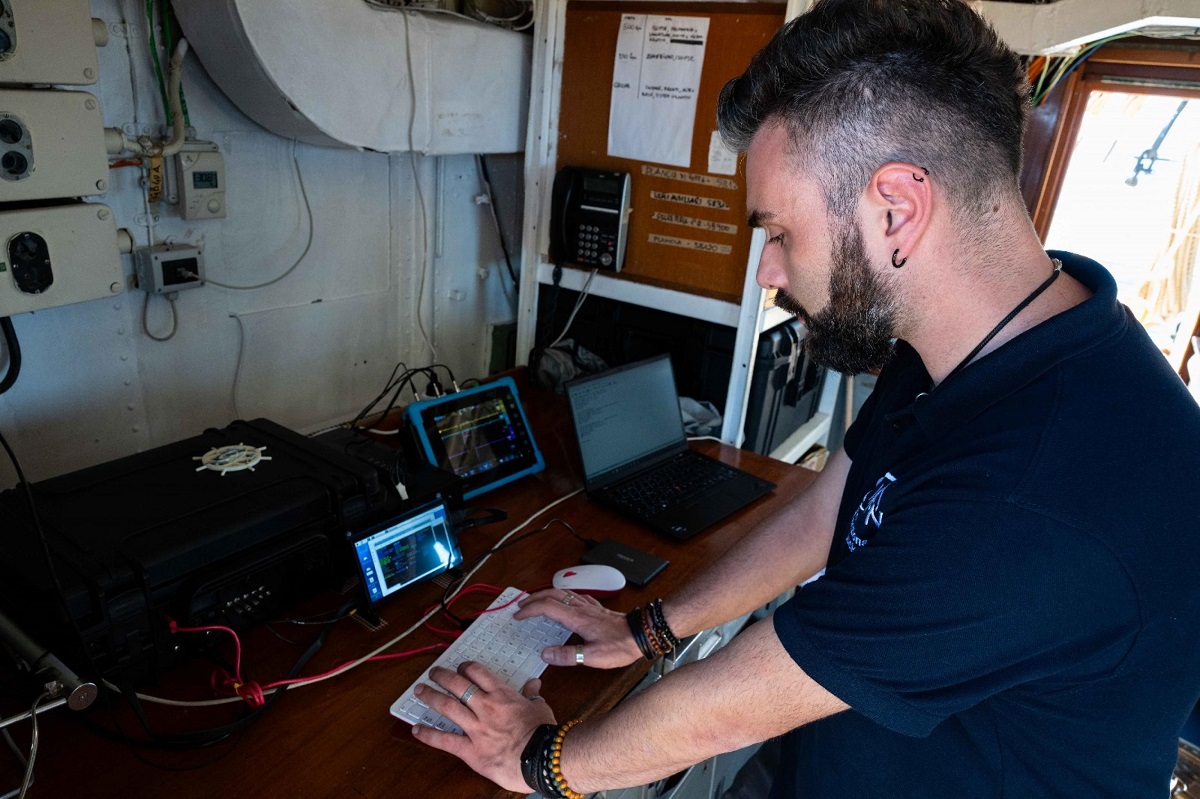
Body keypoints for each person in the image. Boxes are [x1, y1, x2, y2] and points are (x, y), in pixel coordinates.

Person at [411, 0, 1200, 795]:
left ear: (898, 207)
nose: (768, 272)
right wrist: (646, 629)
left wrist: (537, 760)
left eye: (780, 232)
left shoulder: (1038, 492)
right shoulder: (980, 338)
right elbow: (829, 510)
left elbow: (733, 707)